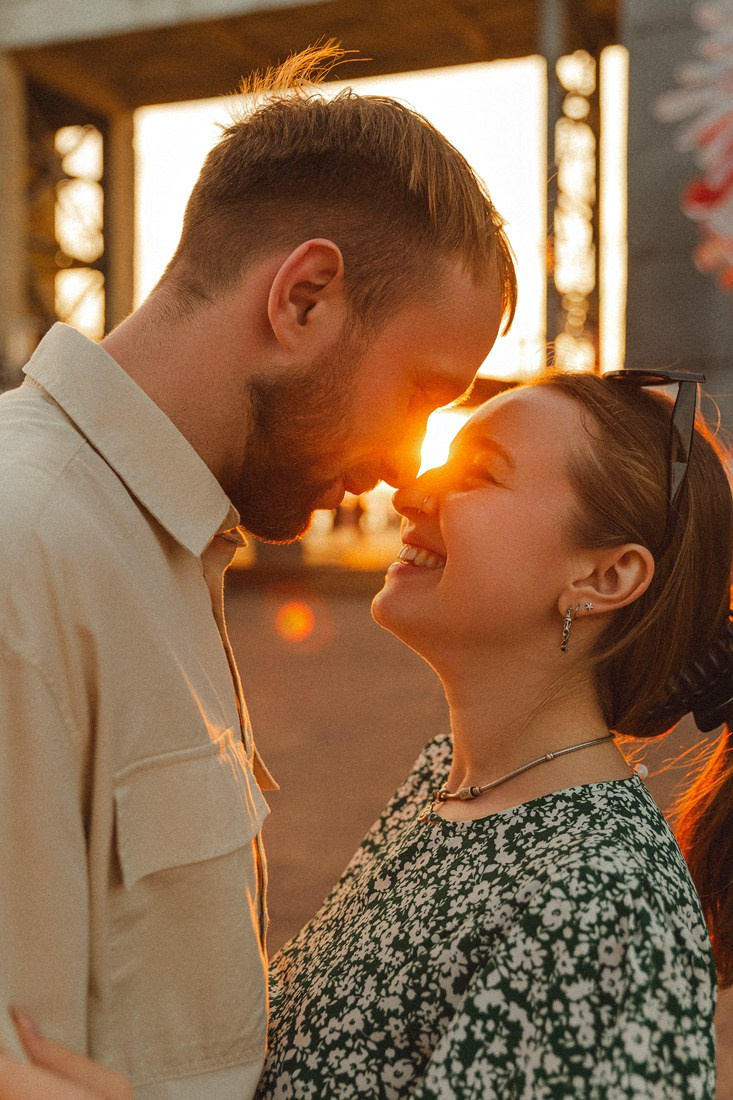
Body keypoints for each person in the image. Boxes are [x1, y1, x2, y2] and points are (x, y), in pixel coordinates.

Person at [0, 41, 516, 1100]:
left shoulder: (155, 543)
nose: (403, 464)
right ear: (305, 297)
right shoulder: (29, 545)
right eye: (424, 389)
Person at [2, 367, 731, 1098]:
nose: (408, 492)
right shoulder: (450, 786)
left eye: (480, 474)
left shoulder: (601, 901)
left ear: (605, 578)